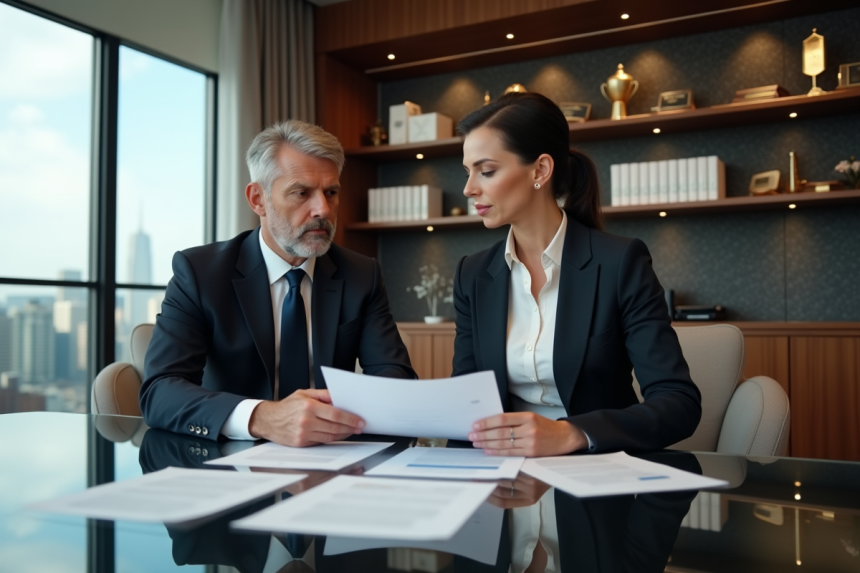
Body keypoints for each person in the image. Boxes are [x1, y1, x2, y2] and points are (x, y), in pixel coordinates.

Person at [453, 92, 701, 457]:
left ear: (540, 170)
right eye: (468, 172)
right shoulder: (473, 274)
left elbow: (679, 403)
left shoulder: (620, 263)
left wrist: (572, 433)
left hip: (597, 470)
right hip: (502, 472)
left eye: (486, 171)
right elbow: (467, 403)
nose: (469, 188)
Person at [141, 120, 416, 446]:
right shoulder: (200, 273)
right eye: (302, 193)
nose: (322, 209)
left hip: (331, 454)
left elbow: (395, 379)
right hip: (229, 458)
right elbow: (160, 391)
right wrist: (263, 418)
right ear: (258, 199)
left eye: (331, 192)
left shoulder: (360, 274)